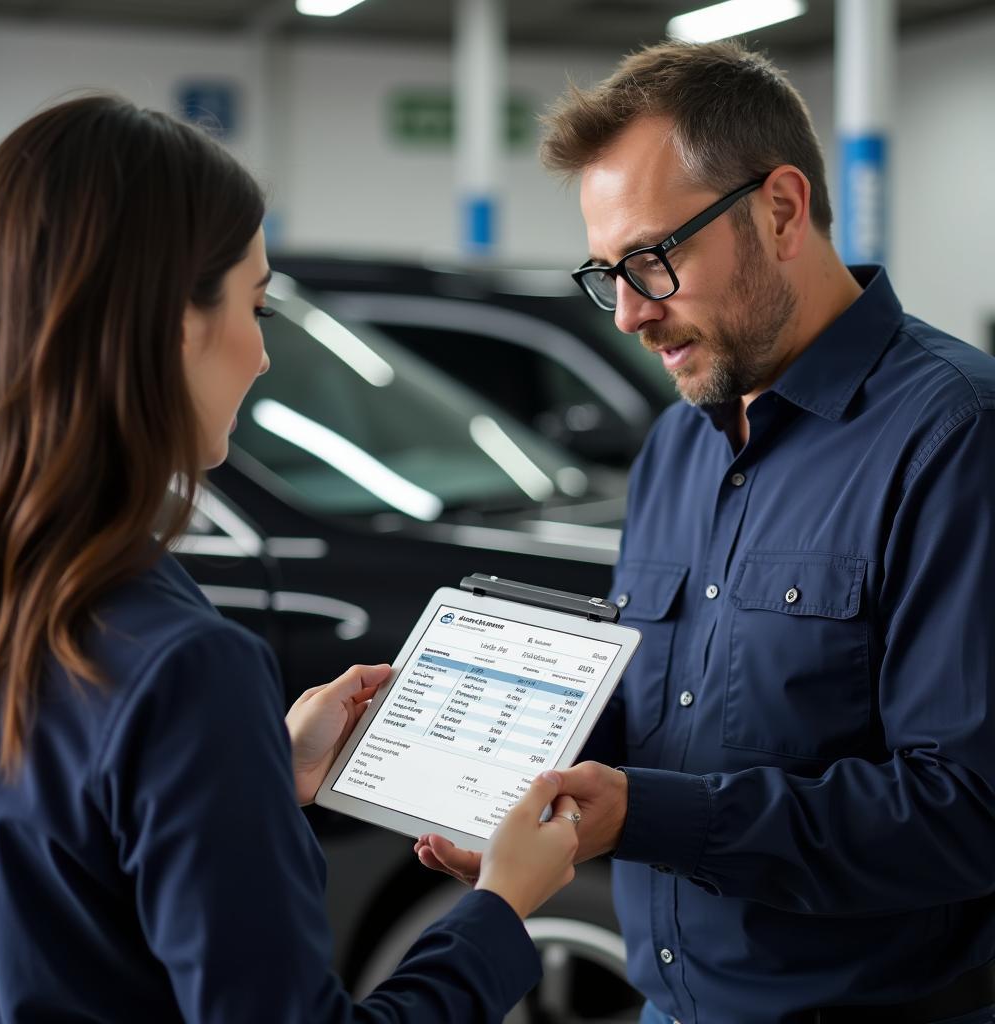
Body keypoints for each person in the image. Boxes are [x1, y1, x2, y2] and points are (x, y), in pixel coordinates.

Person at [0, 94, 583, 1024]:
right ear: (173, 323)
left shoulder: (13, 594)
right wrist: (499, 909)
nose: (261, 356)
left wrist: (256, 774)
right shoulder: (181, 667)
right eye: (255, 305)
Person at [416, 41, 995, 1023]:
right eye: (606, 273)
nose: (630, 314)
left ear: (779, 209)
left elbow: (965, 811)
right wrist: (529, 792)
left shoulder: (952, 437)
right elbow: (662, 715)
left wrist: (649, 813)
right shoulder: (676, 449)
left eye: (653, 258)